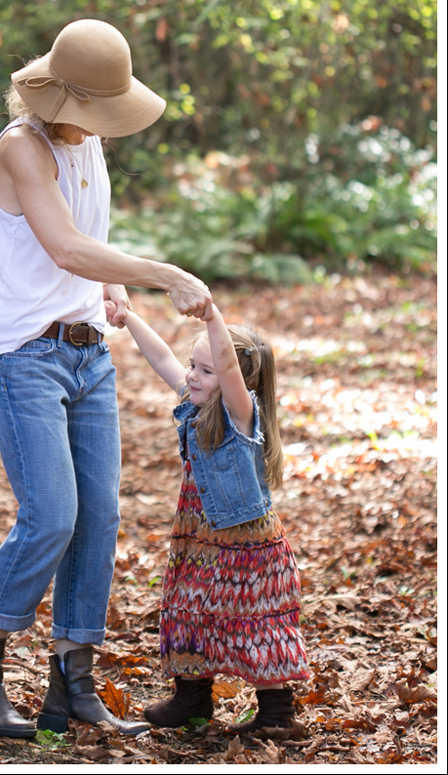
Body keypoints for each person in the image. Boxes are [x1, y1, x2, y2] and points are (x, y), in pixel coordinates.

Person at [0, 18, 213, 739]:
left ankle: (73, 687)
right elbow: (63, 247)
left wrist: (109, 291)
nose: (99, 125)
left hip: (89, 353)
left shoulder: (85, 140)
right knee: (51, 516)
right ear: (59, 98)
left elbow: (82, 243)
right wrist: (160, 275)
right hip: (22, 358)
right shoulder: (20, 147)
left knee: (99, 519)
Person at [112, 300, 309, 734]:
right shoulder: (195, 404)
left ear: (237, 379)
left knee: (258, 626)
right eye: (192, 366)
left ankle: (277, 715)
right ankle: (192, 701)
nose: (191, 376)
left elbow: (229, 366)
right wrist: (128, 318)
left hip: (248, 550)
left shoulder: (240, 414)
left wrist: (211, 317)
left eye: (205, 370)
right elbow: (163, 356)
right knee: (186, 611)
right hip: (199, 541)